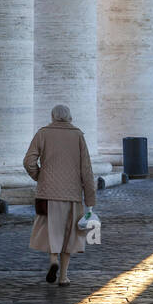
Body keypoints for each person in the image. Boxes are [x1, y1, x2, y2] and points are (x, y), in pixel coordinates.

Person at [23, 103, 97, 286]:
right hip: (72, 193)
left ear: (52, 116)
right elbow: (86, 169)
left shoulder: (43, 133)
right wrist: (90, 198)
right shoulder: (78, 135)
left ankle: (53, 260)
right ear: (70, 116)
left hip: (47, 192)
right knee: (69, 234)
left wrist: (39, 176)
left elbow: (28, 161)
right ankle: (63, 276)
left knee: (52, 230)